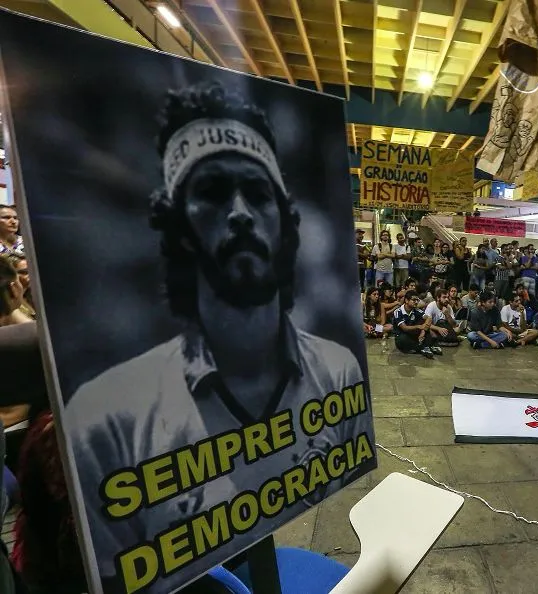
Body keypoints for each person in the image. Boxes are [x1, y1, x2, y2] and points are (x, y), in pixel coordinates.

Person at [63, 82, 373, 593]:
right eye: (210, 193)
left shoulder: (339, 370)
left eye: (257, 193)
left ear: (285, 220)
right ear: (178, 226)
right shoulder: (105, 418)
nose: (240, 213)